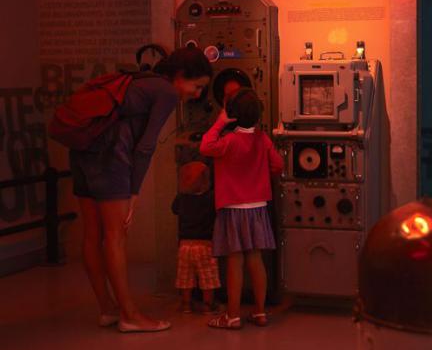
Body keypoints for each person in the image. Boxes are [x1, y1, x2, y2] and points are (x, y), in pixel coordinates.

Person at [69, 47, 212, 333]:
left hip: (82, 152)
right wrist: (133, 193)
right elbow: (146, 146)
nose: (197, 94)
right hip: (111, 159)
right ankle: (130, 315)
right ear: (180, 76)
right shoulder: (166, 92)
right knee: (115, 237)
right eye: (196, 87)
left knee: (92, 235)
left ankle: (108, 309)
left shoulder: (139, 79)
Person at [199, 88, 284, 329]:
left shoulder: (228, 141)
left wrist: (219, 123)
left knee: (234, 261)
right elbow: (278, 164)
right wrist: (263, 176)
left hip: (232, 208)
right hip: (257, 208)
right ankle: (260, 312)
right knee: (256, 259)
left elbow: (205, 146)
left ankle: (232, 316)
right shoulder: (262, 138)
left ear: (231, 113)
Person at [172, 161, 220, 314]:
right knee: (207, 277)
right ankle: (208, 304)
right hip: (205, 245)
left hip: (184, 246)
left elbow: (174, 209)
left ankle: (186, 304)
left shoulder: (181, 198)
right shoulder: (211, 198)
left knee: (185, 276)